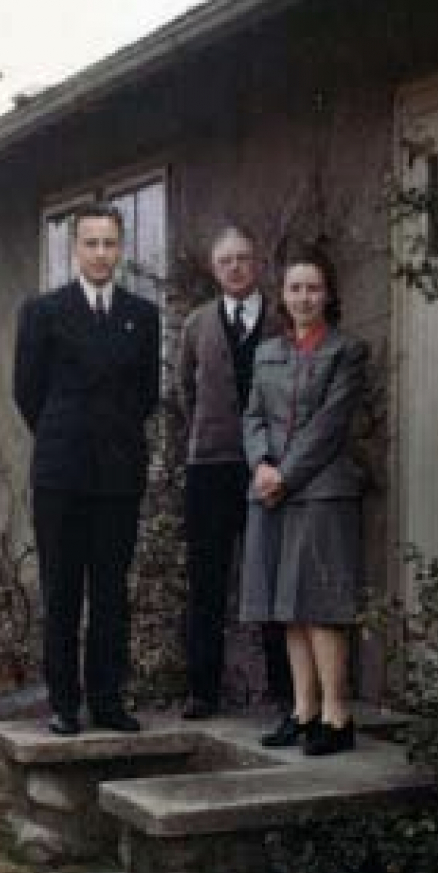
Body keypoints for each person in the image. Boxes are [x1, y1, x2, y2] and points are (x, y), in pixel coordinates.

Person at [13, 202, 161, 735]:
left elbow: (146, 393)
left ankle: (107, 699)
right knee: (62, 591)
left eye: (109, 243)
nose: (101, 253)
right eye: (91, 243)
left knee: (110, 592)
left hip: (117, 475)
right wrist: (68, 435)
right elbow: (27, 392)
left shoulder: (141, 316)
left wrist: (111, 438)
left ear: (121, 249)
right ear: (74, 248)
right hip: (61, 475)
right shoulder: (44, 312)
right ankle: (64, 704)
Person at [240, 241, 368, 755]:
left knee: (321, 605)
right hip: (270, 490)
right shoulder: (266, 353)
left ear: (329, 294)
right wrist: (260, 465)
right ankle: (303, 710)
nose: (304, 297)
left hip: (322, 492)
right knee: (287, 605)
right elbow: (252, 416)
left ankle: (337, 717)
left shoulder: (347, 351)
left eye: (313, 288)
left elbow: (329, 425)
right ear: (283, 294)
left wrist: (285, 474)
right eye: (295, 288)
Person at [177, 223, 291, 720]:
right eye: (226, 261)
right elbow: (185, 389)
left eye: (243, 258)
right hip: (210, 468)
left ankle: (285, 691)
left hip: (269, 468)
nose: (235, 268)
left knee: (273, 577)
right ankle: (203, 692)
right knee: (207, 581)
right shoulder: (197, 325)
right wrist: (210, 433)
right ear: (214, 268)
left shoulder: (280, 321)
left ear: (257, 262)